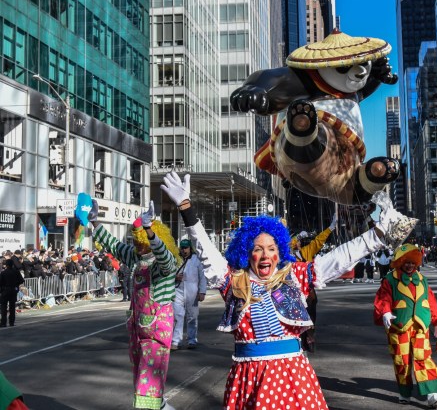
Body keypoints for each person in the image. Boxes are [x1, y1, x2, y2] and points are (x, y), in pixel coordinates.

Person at [160, 171, 416, 409]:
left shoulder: (295, 277)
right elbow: (205, 250)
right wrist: (186, 207)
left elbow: (338, 258)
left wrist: (378, 235)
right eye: (257, 248)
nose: (265, 255)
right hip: (248, 380)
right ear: (247, 253)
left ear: (279, 252)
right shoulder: (233, 281)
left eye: (271, 249)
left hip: (294, 380)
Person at [89, 201, 179, 410]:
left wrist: (149, 230)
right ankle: (163, 406)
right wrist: (95, 223)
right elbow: (114, 245)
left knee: (148, 379)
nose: (138, 245)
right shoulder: (136, 258)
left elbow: (165, 258)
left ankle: (154, 406)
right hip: (137, 327)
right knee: (141, 375)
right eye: (137, 239)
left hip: (157, 330)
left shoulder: (164, 264)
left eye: (142, 240)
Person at [373, 244, 437, 407]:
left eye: (413, 262)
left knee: (424, 357)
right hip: (399, 326)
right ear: (400, 262)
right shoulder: (390, 279)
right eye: (406, 262)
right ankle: (404, 392)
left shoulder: (422, 279)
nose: (410, 265)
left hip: (420, 325)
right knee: (402, 360)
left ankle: (432, 394)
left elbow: (430, 301)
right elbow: (383, 297)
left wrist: (436, 321)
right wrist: (385, 312)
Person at [291, 214, 338, 353]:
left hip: (308, 292)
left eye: (298, 241)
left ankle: (309, 337)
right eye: (295, 240)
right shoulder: (284, 254)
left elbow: (318, 241)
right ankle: (296, 340)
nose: (297, 243)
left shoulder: (306, 252)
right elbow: (286, 244)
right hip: (292, 293)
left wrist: (330, 228)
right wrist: (297, 237)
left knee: (311, 316)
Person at [171, 239, 207, 350]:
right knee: (177, 315)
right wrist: (175, 277)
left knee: (192, 317)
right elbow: (168, 272)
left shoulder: (197, 260)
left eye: (186, 248)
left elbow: (202, 277)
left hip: (193, 292)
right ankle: (176, 341)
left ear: (190, 248)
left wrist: (202, 292)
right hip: (178, 291)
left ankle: (192, 339)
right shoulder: (175, 260)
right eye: (182, 248)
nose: (184, 250)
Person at [0, 257, 25, 327]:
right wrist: (16, 285)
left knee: (3, 308)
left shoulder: (3, 273)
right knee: (12, 307)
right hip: (13, 290)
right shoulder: (16, 272)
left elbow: (0, 283)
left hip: (5, 290)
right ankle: (11, 322)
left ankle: (3, 322)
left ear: (6, 265)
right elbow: (21, 280)